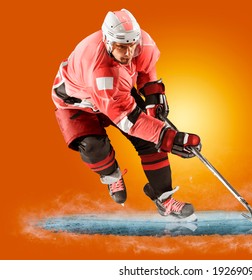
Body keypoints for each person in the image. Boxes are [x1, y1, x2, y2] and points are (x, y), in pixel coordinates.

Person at [51, 8, 201, 220]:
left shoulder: (143, 43)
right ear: (107, 41)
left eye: (132, 45)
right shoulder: (100, 69)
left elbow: (147, 71)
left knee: (150, 140)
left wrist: (152, 98)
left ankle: (164, 199)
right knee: (95, 148)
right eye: (122, 47)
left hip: (115, 91)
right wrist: (169, 137)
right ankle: (111, 174)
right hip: (78, 103)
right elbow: (126, 119)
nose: (129, 53)